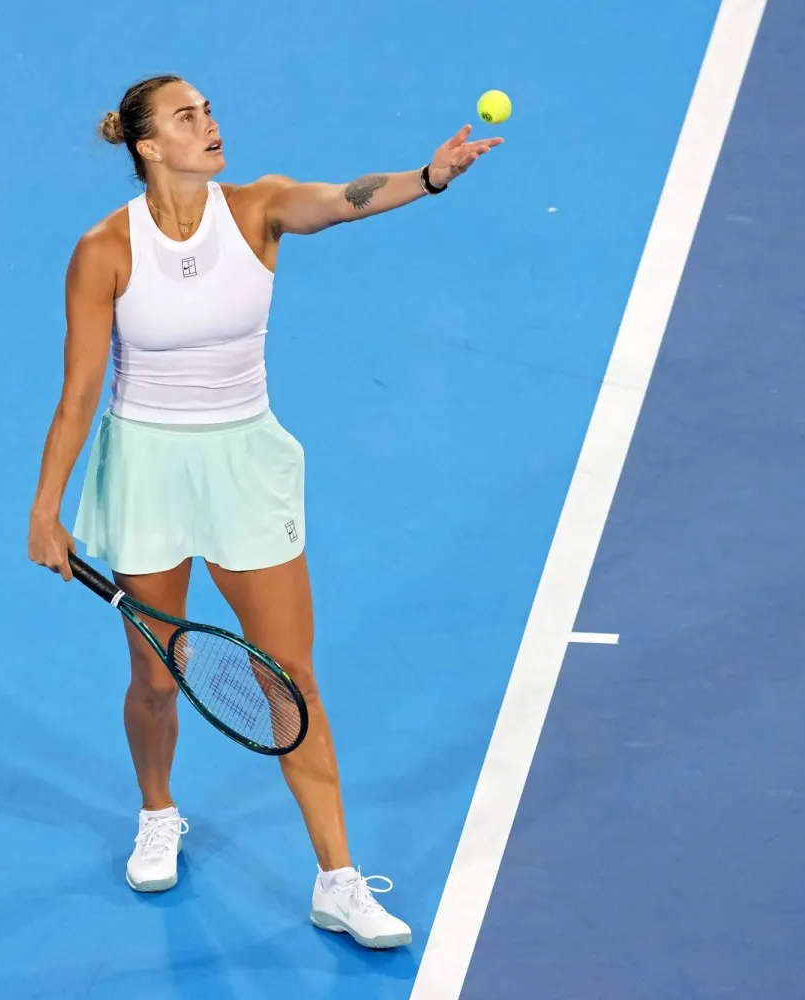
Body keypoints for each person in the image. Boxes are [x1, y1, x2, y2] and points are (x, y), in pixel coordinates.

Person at [26, 74, 501, 950]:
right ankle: (159, 811)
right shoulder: (104, 250)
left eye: (208, 110)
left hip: (246, 467)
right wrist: (47, 509)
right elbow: (81, 391)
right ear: (148, 147)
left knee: (291, 677)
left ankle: (338, 879)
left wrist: (428, 177)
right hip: (146, 472)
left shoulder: (258, 209)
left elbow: (344, 201)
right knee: (157, 675)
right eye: (186, 117)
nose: (209, 125)